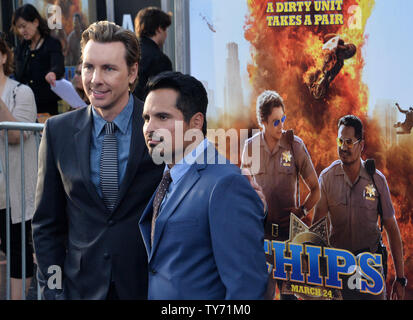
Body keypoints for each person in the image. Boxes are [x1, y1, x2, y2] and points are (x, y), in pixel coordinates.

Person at [32, 21, 164, 300]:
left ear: (133, 72)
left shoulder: (161, 127)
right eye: (89, 67)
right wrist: (53, 291)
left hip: (146, 287)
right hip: (80, 288)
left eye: (109, 68)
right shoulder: (58, 132)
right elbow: (47, 226)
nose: (95, 79)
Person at [139, 71, 268, 299]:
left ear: (196, 122)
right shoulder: (165, 178)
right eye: (146, 118)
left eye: (163, 117)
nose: (149, 128)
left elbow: (246, 288)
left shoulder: (226, 183)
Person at [313, 115, 406, 300]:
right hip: (337, 270)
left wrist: (400, 279)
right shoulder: (326, 179)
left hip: (370, 271)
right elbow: (317, 230)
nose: (343, 146)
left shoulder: (377, 180)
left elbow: (392, 230)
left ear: (361, 145)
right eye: (340, 140)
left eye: (349, 141)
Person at [241, 90, 320, 299]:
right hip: (260, 238)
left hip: (288, 240)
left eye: (283, 119)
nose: (281, 125)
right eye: (275, 121)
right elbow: (242, 193)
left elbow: (316, 189)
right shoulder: (250, 148)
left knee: (290, 296)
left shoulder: (295, 146)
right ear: (263, 122)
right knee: (259, 295)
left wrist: (302, 210)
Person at [0, 33, 37, 300]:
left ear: (3, 56)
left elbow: (15, 136)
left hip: (11, 194)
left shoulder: (20, 92)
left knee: (17, 255)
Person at [12, 4, 65, 116]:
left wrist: (53, 73)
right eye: (19, 27)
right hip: (25, 106)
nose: (22, 31)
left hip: (47, 106)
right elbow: (17, 74)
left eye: (24, 26)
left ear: (35, 22)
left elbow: (58, 65)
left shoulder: (51, 43)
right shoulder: (22, 48)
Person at [133, 7, 173, 101]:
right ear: (159, 29)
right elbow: (164, 98)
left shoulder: (126, 52)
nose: (166, 35)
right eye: (165, 30)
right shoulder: (160, 60)